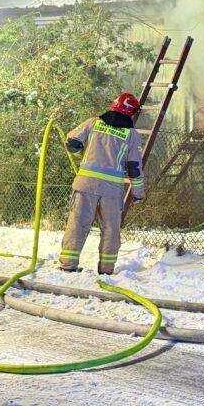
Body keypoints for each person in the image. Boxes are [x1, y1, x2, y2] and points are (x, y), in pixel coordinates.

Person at [59, 93, 145, 275]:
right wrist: (138, 193)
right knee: (110, 229)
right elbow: (134, 168)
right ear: (130, 112)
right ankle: (106, 270)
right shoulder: (131, 135)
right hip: (112, 190)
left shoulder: (93, 123)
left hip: (85, 185)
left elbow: (72, 142)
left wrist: (83, 152)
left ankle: (67, 265)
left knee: (77, 224)